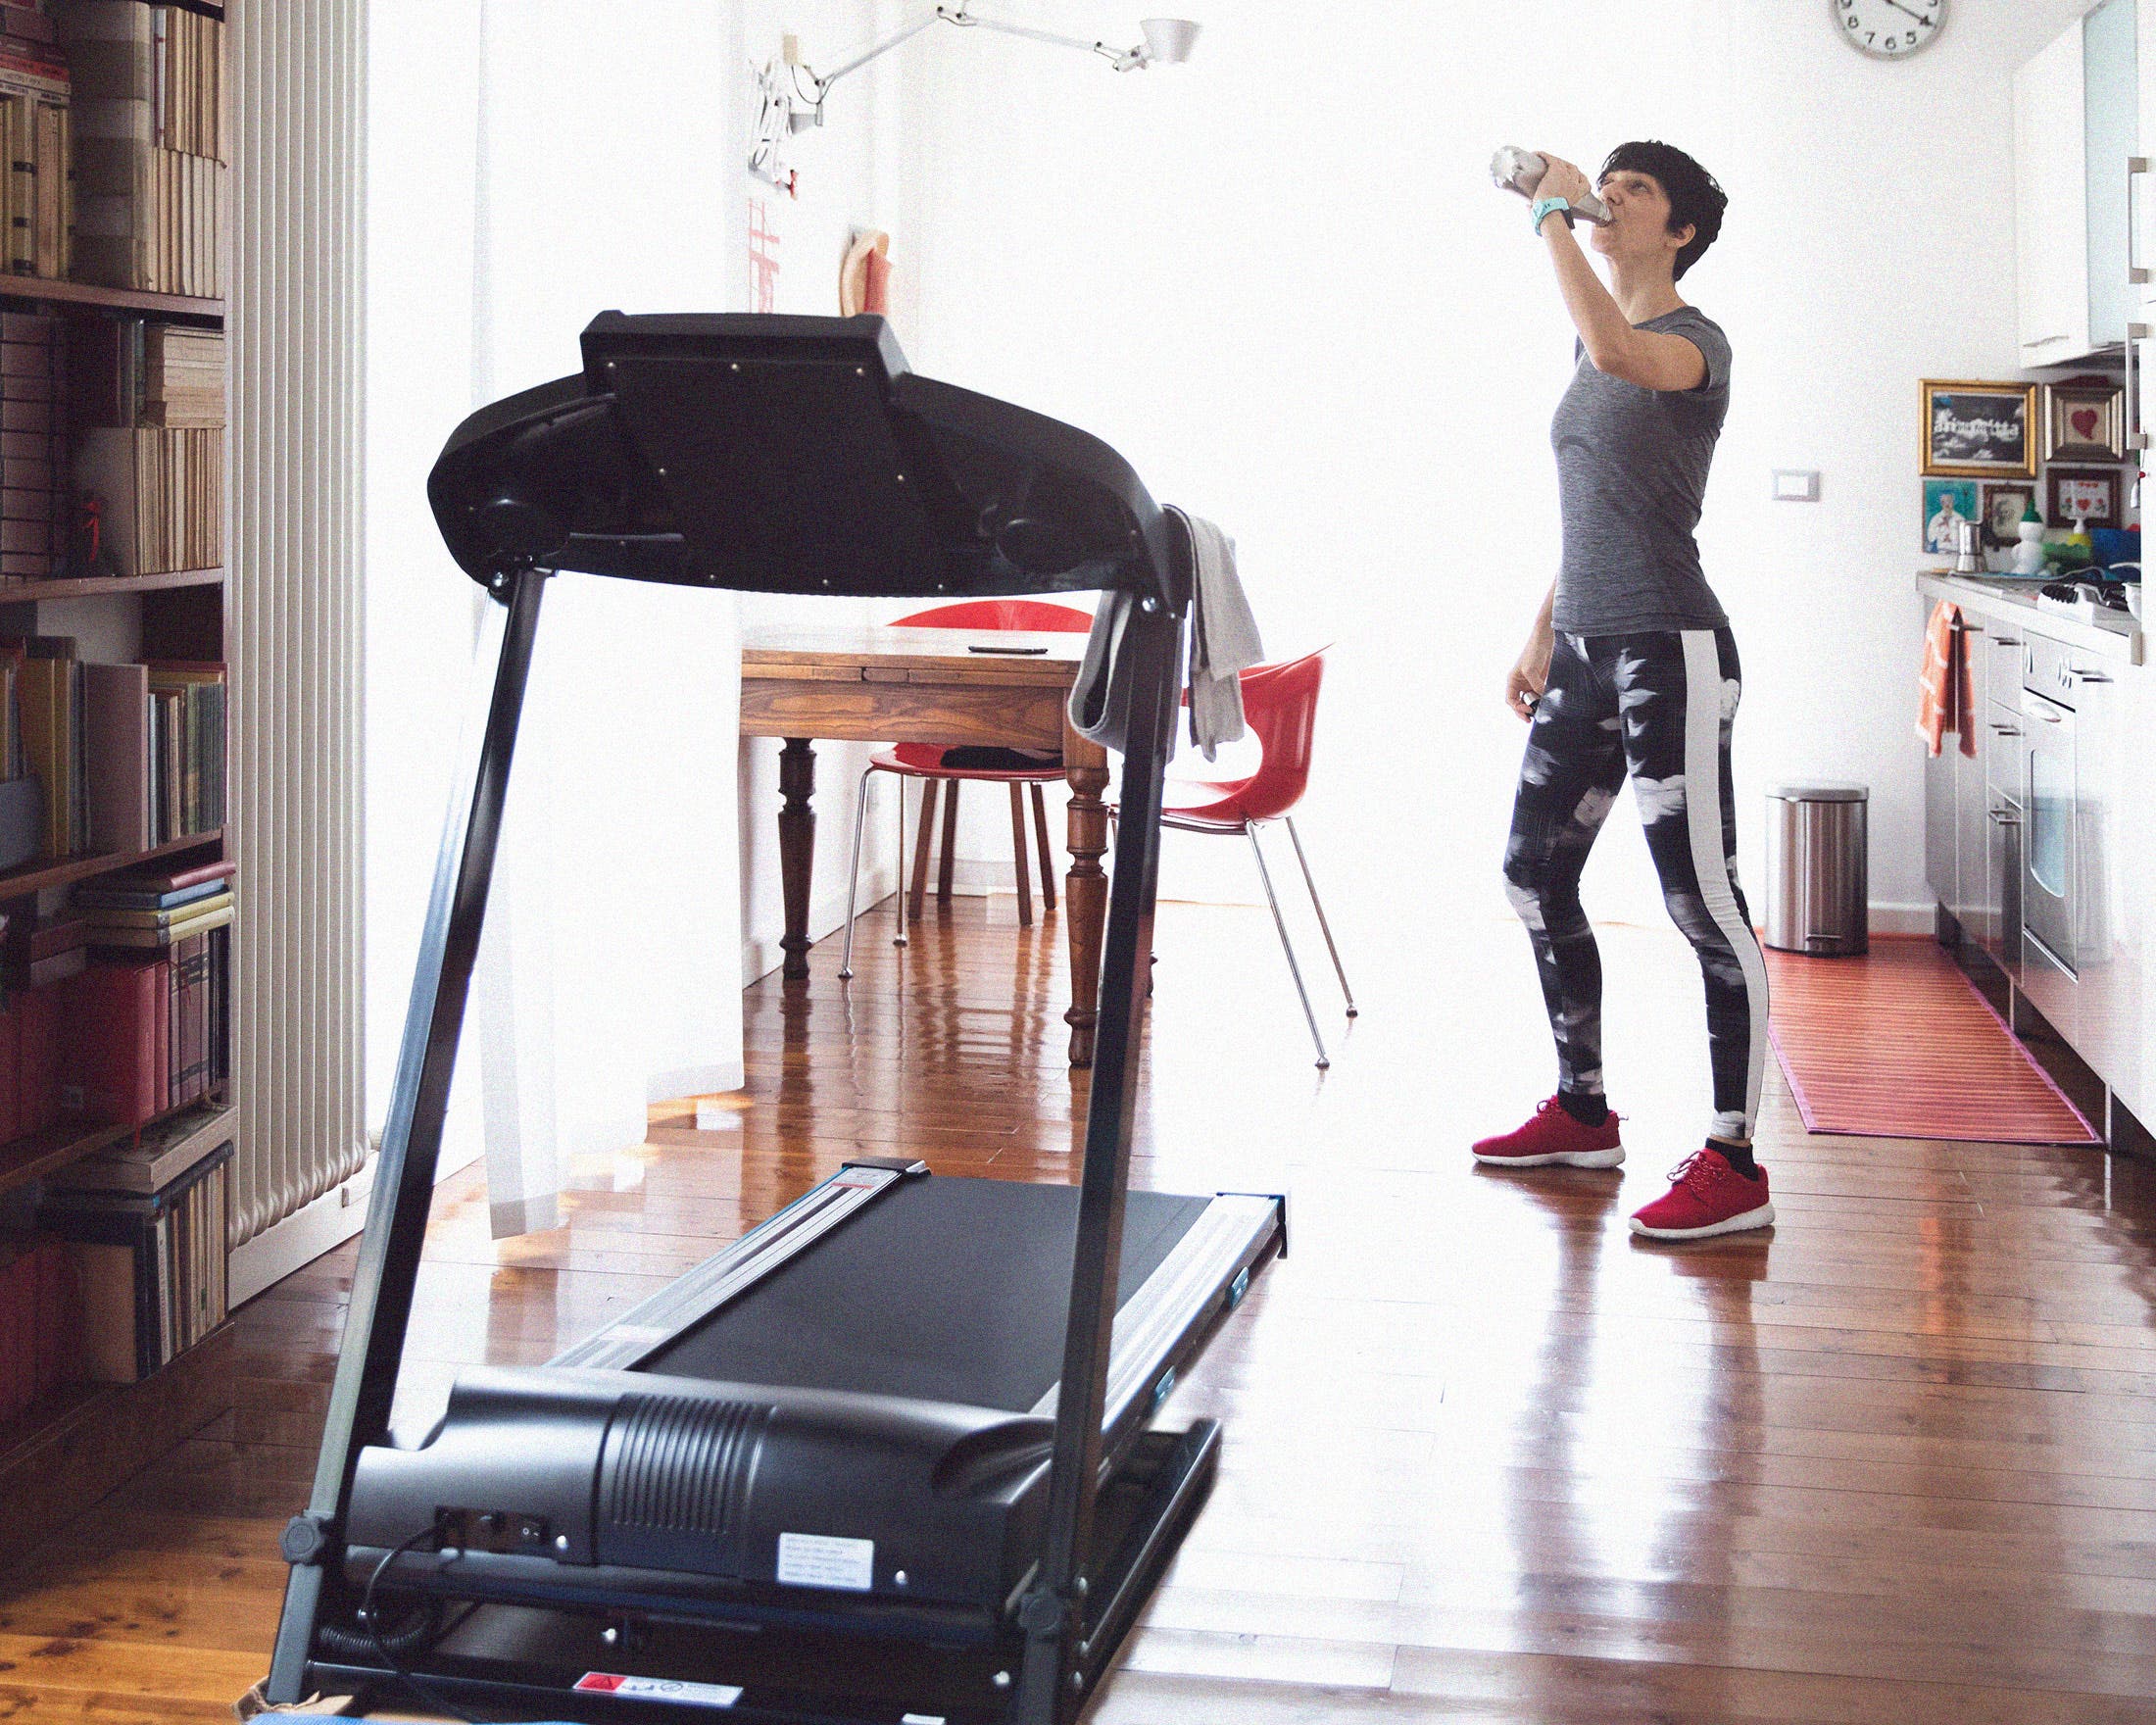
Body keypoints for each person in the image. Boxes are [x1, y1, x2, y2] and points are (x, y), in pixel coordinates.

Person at [1473, 141, 1775, 1242]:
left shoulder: (1695, 344)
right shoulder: (1588, 333)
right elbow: (1597, 499)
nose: (1610, 200)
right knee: (1531, 871)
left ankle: (1735, 1158)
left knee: (1700, 901)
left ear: (1680, 229)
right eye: (1604, 183)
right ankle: (1582, 1109)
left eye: (1632, 191)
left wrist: (1550, 212)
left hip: (1671, 647)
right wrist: (1544, 628)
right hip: (1591, 646)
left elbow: (1613, 346)